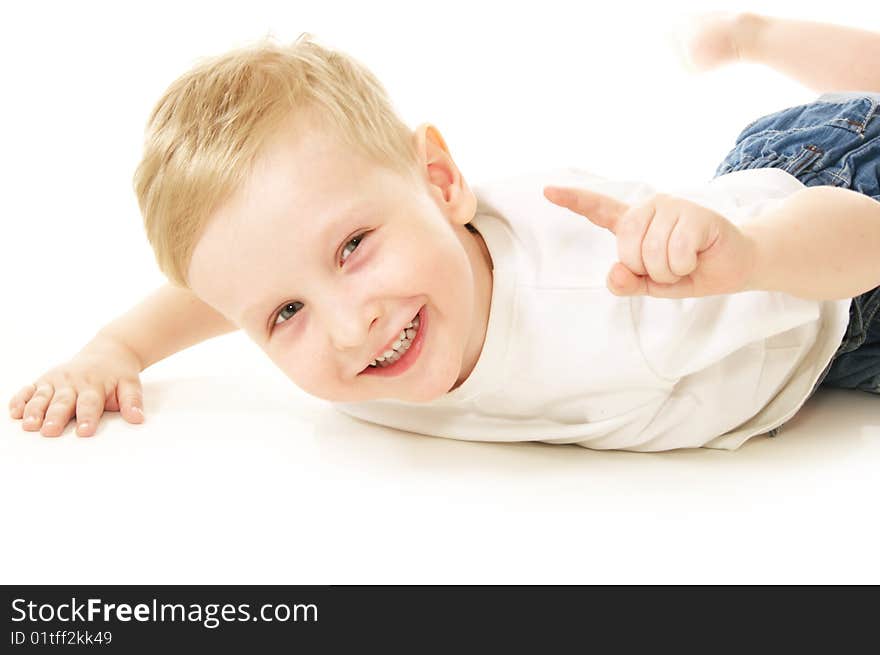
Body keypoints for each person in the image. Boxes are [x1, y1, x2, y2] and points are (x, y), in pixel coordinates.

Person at [8, 13, 880, 451]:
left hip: (829, 254)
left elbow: (866, 238)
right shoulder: (341, 307)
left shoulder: (613, 308)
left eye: (353, 247)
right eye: (286, 314)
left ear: (440, 181)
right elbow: (222, 282)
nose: (352, 327)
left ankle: (751, 31)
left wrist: (758, 254)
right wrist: (115, 346)